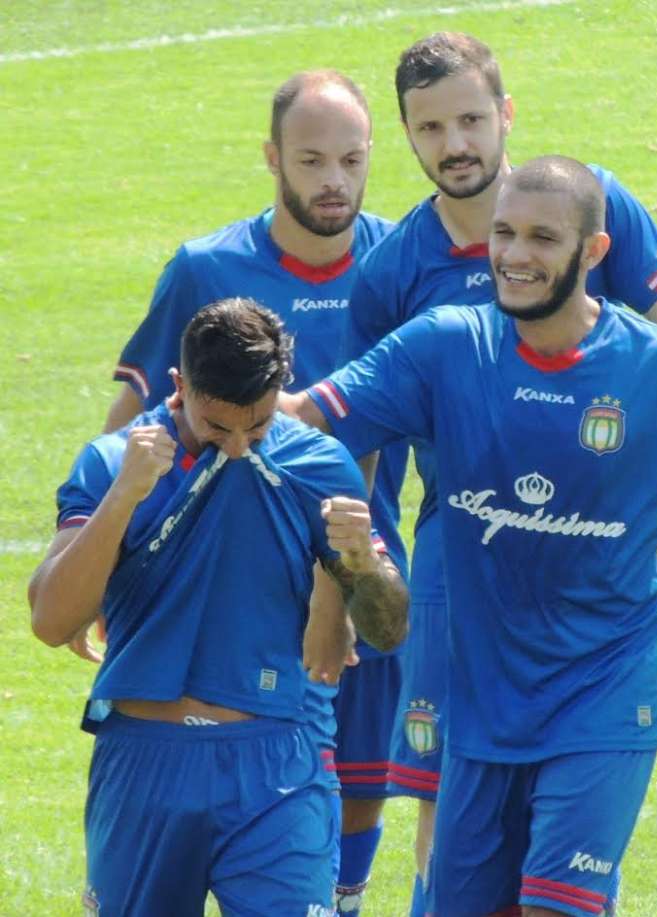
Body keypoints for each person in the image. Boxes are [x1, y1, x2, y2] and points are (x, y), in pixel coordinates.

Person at [284, 154, 657, 917]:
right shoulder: (446, 346)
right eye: (504, 234)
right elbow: (306, 417)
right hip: (483, 708)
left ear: (592, 252)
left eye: (542, 239)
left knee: (560, 904)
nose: (515, 256)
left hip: (603, 700)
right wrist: (200, 400)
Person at [330, 32, 657, 912]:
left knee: (563, 830)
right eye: (430, 127)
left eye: (470, 119)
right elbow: (360, 446)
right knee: (445, 812)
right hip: (462, 571)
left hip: (589, 569)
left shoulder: (591, 205)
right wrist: (340, 588)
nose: (454, 144)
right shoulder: (391, 272)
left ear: (506, 115)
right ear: (406, 137)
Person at [99, 69, 405, 912]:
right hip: (220, 582)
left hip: (361, 559)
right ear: (273, 158)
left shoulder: (398, 262)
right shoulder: (207, 267)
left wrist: (338, 590)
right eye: (311, 160)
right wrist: (100, 538)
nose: (333, 181)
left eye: (351, 158)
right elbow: (129, 416)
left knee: (363, 774)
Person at [28, 298, 408, 917]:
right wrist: (125, 496)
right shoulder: (112, 463)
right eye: (216, 427)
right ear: (180, 386)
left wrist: (364, 569)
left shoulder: (318, 463)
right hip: (145, 761)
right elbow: (51, 620)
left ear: (281, 389)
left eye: (255, 428)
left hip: (280, 762)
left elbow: (388, 630)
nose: (236, 448)